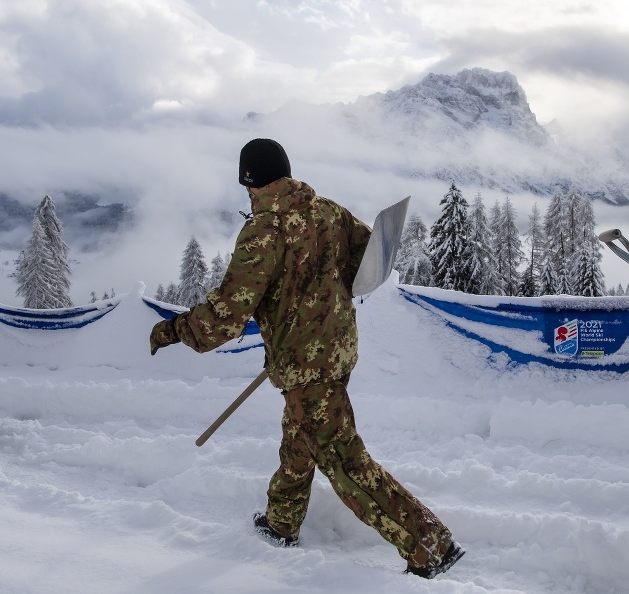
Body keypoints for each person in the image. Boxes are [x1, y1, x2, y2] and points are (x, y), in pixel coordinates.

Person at [149, 138, 464, 579]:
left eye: (248, 188)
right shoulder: (328, 211)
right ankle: (281, 523)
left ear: (251, 182)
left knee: (344, 461)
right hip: (335, 352)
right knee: (301, 434)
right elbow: (367, 261)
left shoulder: (263, 233)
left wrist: (171, 331)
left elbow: (222, 318)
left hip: (307, 365)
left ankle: (429, 544)